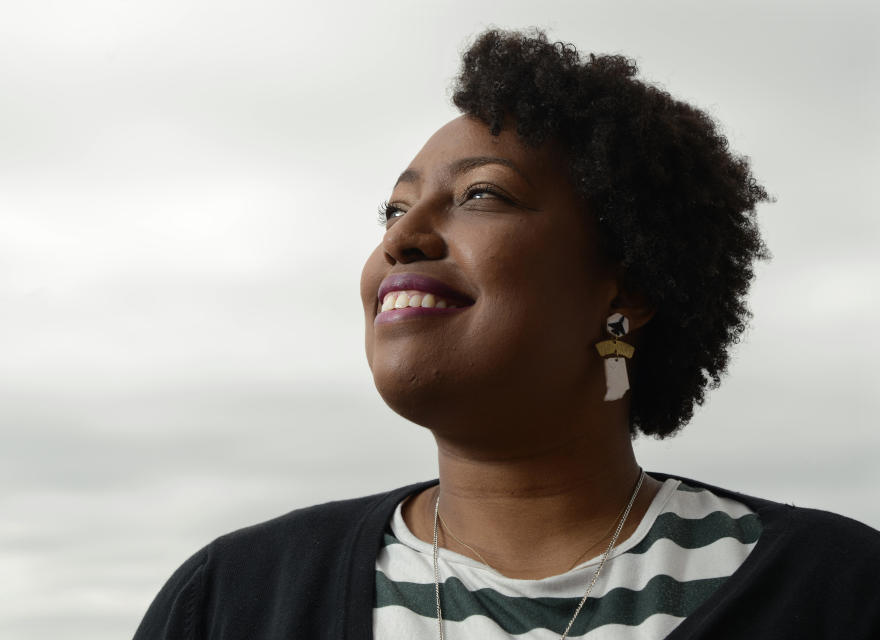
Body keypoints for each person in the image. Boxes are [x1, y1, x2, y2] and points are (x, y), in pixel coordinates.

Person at [132, 28, 880, 640]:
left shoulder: (842, 592)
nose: (405, 239)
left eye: (481, 195)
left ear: (630, 286)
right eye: (394, 211)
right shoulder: (231, 602)